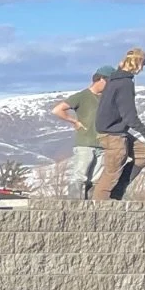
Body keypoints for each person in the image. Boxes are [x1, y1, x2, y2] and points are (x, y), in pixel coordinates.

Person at [92, 48, 145, 202]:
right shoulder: (124, 83)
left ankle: (119, 189)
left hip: (114, 131)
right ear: (138, 64)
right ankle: (98, 207)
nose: (142, 69)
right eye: (142, 65)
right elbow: (129, 115)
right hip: (114, 135)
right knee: (111, 174)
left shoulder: (114, 79)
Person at [53, 68, 111, 198]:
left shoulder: (106, 98)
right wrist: (74, 121)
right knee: (79, 176)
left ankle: (91, 205)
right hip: (85, 143)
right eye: (109, 81)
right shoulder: (82, 96)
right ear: (101, 79)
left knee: (96, 179)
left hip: (102, 144)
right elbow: (58, 110)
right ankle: (75, 205)